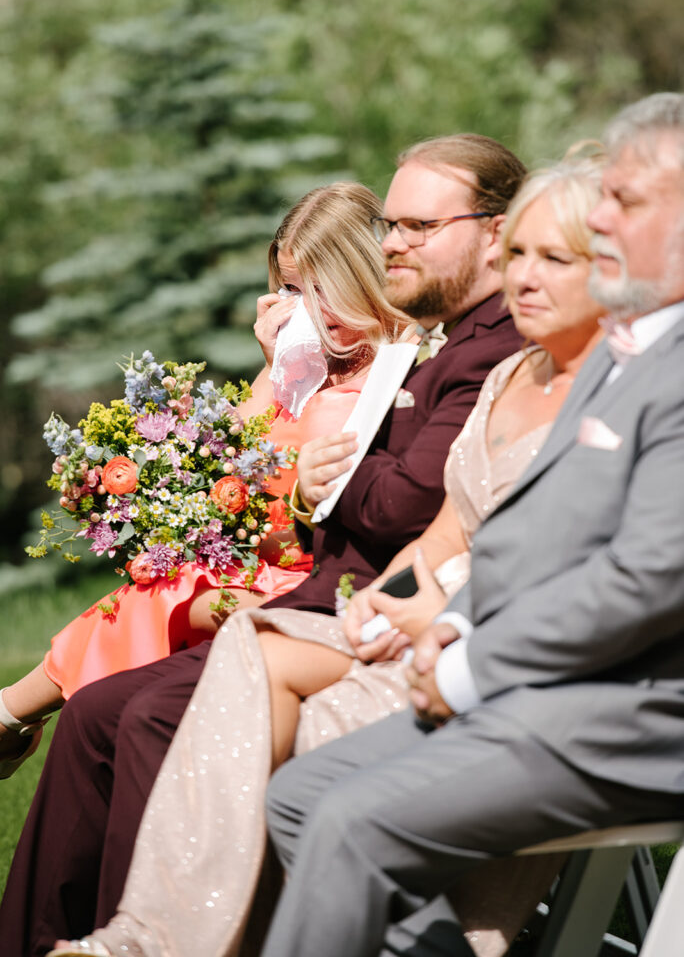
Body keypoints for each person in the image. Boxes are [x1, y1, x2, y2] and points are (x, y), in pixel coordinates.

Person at [46, 151, 606, 957]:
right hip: (388, 608)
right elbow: (444, 523)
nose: (394, 244)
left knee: (168, 712)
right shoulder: (507, 369)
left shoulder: (545, 371)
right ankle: (117, 938)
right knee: (174, 683)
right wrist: (386, 581)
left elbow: (414, 506)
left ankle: (165, 942)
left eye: (554, 256)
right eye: (391, 225)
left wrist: (432, 613)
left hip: (503, 658)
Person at [258, 92, 684, 957]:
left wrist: (471, 664)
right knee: (296, 797)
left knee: (345, 821)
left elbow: (647, 578)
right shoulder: (619, 354)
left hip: (634, 707)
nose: (603, 214)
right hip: (545, 674)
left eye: (626, 201)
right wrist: (444, 617)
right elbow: (521, 535)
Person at [0, 181, 410, 778]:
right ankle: (17, 718)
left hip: (312, 585)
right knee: (166, 581)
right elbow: (226, 468)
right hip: (257, 565)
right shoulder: (303, 365)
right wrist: (276, 371)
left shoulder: (395, 369)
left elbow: (309, 514)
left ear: (363, 279)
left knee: (171, 590)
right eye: (288, 288)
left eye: (317, 289)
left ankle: (13, 716)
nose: (299, 307)